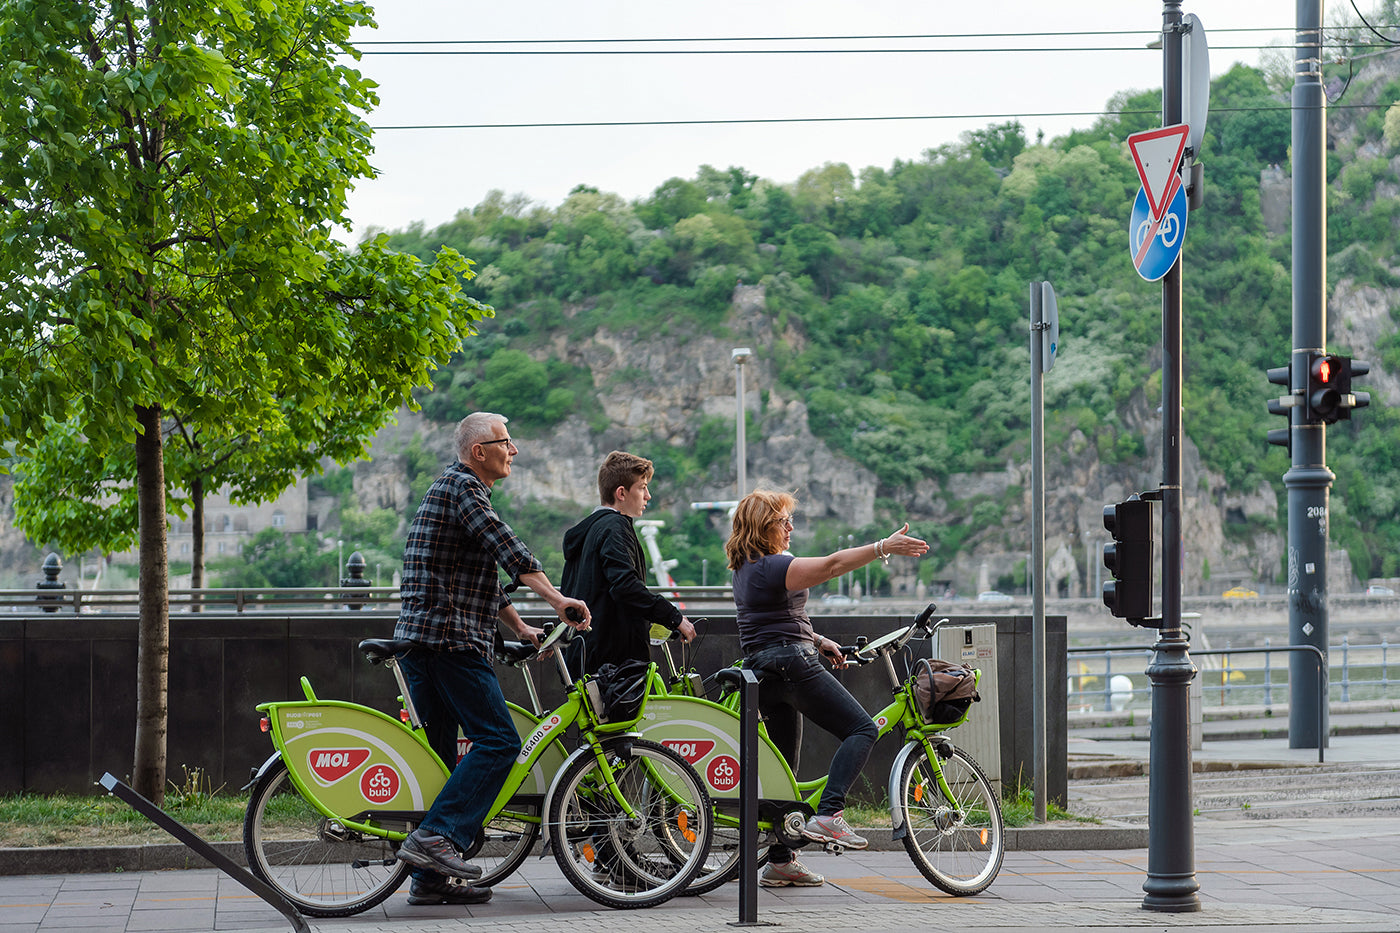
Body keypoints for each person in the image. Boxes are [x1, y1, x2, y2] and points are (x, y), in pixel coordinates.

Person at [392, 412, 591, 906]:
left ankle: (429, 878)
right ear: (479, 450)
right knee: (500, 742)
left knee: (439, 761)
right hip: (449, 640)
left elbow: (479, 577)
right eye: (507, 441)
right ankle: (437, 839)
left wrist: (521, 627)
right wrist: (558, 600)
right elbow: (509, 549)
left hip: (426, 640)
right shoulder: (465, 488)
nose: (515, 450)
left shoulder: (452, 490)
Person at [724, 489, 928, 888]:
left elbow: (774, 619)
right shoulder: (775, 565)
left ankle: (781, 860)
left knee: (784, 770)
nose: (790, 527)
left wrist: (817, 640)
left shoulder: (746, 567)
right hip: (790, 664)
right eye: (784, 521)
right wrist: (883, 546)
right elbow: (833, 565)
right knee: (863, 729)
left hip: (765, 667)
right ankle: (829, 815)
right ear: (765, 527)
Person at [560, 450, 696, 676]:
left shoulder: (588, 532)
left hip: (583, 654)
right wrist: (674, 617)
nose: (648, 496)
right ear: (621, 493)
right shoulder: (615, 527)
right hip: (612, 662)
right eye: (642, 487)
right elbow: (626, 587)